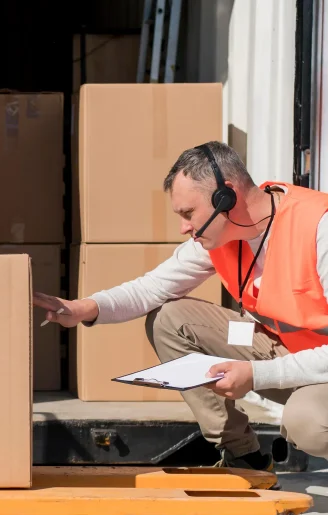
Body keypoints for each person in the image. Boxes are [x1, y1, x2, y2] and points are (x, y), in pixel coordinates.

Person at [34, 141, 328, 477]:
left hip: (321, 370)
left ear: (225, 197)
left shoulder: (318, 228)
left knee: (308, 424)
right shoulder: (224, 234)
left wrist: (257, 375)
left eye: (188, 214)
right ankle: (244, 457)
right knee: (169, 319)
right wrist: (83, 308)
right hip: (286, 353)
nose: (184, 228)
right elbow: (152, 287)